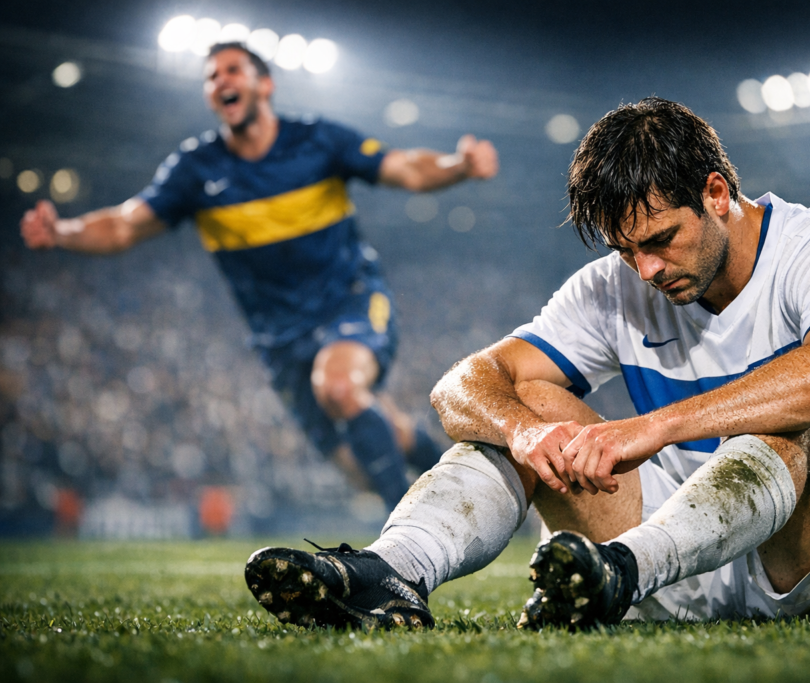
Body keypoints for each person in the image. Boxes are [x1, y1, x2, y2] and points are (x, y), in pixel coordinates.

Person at [242, 97, 810, 631]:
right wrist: (525, 435)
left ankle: (622, 570)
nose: (646, 268)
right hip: (707, 560)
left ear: (718, 192)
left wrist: (649, 428)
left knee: (792, 415)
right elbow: (461, 385)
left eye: (661, 238)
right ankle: (395, 569)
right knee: (528, 400)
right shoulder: (618, 284)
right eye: (627, 249)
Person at [20, 42, 499, 511]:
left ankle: (409, 542)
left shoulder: (317, 140)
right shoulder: (196, 169)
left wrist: (458, 166)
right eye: (211, 76)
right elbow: (126, 224)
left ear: (264, 84)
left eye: (231, 70)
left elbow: (407, 169)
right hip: (278, 337)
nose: (220, 81)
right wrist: (63, 230)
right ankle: (459, 486)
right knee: (357, 460)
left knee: (339, 388)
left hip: (348, 300)